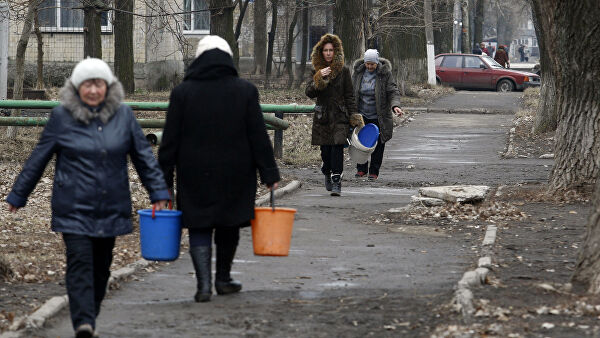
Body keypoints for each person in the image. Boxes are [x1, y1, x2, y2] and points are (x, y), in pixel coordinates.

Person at [6, 58, 170, 338]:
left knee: (101, 266)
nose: (93, 90)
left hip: (111, 205)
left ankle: (88, 313)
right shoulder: (62, 116)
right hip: (73, 206)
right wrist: (19, 194)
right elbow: (38, 157)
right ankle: (84, 323)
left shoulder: (124, 116)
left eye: (99, 84)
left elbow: (144, 158)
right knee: (80, 262)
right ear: (77, 87)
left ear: (108, 86)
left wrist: (158, 193)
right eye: (87, 84)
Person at [158, 36, 280, 303]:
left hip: (193, 173)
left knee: (199, 225)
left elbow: (169, 142)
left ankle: (203, 286)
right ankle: (223, 279)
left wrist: (162, 182)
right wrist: (269, 174)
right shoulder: (245, 91)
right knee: (228, 224)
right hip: (235, 173)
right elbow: (258, 136)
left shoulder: (182, 93)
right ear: (228, 58)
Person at [305, 33, 361, 196]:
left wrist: (354, 117)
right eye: (325, 50)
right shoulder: (316, 70)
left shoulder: (343, 71)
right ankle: (326, 171)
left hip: (340, 116)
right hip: (323, 117)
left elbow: (349, 95)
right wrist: (319, 78)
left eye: (331, 50)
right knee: (326, 152)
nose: (328, 53)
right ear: (321, 52)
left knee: (337, 148)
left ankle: (336, 181)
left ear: (335, 52)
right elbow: (309, 93)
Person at [351, 49, 402, 180]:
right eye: (367, 64)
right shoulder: (358, 72)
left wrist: (395, 106)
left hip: (379, 116)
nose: (369, 66)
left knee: (378, 144)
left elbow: (393, 91)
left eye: (372, 64)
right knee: (361, 143)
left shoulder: (384, 74)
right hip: (361, 114)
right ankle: (361, 169)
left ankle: (374, 171)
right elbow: (350, 91)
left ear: (377, 62)